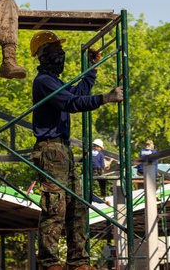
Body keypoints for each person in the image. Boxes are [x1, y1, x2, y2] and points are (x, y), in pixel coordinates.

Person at [30, 30, 123, 270]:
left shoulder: (55, 82)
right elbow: (71, 104)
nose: (60, 55)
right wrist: (105, 98)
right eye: (54, 51)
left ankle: (79, 261)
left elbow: (77, 96)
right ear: (42, 55)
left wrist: (91, 71)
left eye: (60, 51)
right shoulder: (44, 82)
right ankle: (50, 262)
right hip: (51, 149)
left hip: (63, 149)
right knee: (55, 207)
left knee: (78, 205)